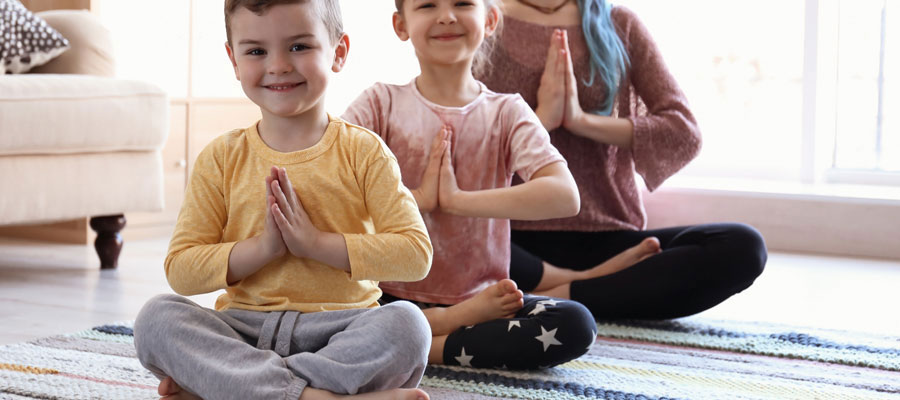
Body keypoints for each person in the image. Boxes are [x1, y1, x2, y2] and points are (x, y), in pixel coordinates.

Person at [132, 1, 435, 399]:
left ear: (338, 53)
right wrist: (262, 249)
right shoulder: (221, 158)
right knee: (156, 319)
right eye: (256, 51)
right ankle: (311, 395)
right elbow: (181, 271)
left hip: (340, 331)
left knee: (409, 325)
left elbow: (415, 254)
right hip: (242, 331)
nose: (278, 65)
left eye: (299, 47)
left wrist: (314, 245)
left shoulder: (365, 152)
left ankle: (237, 389)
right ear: (234, 60)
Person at [342, 0, 652, 371]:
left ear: (489, 20)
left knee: (575, 324)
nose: (446, 15)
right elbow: (332, 183)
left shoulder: (508, 112)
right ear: (401, 25)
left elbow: (564, 195)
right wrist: (421, 199)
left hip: (485, 301)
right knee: (316, 316)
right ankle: (436, 334)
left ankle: (422, 344)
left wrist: (458, 201)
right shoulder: (380, 103)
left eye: (462, 3)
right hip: (388, 298)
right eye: (426, 5)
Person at [474, 0, 768, 320]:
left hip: (609, 240)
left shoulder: (619, 23)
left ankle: (552, 297)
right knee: (430, 215)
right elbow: (458, 146)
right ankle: (591, 293)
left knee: (743, 247)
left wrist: (579, 120)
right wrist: (541, 120)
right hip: (505, 241)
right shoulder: (479, 19)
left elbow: (683, 132)